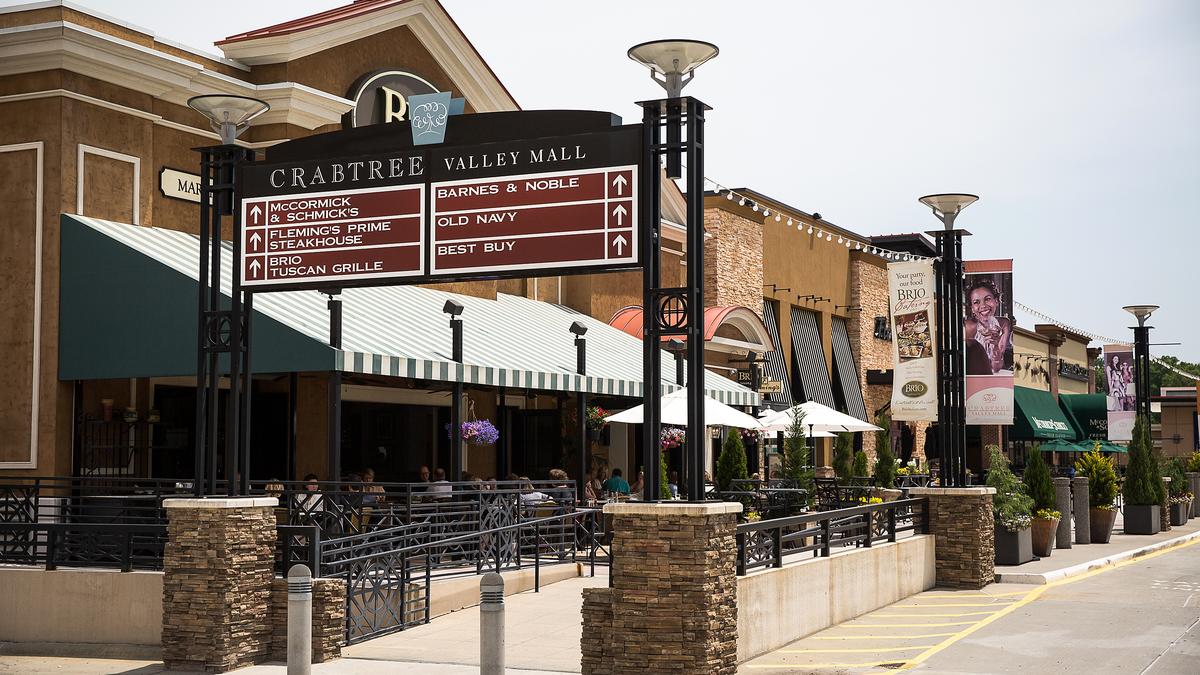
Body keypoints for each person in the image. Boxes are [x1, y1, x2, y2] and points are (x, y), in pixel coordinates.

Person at [964, 278, 1012, 376]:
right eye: (976, 302)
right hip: (972, 379)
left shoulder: (1004, 324)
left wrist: (995, 346)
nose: (983, 305)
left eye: (988, 299)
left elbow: (996, 367)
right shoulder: (968, 327)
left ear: (996, 301)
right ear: (972, 308)